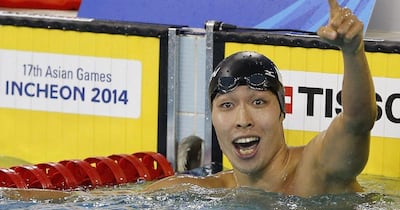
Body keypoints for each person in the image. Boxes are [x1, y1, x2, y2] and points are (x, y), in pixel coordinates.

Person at [146, 0, 377, 197]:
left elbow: (357, 122)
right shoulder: (209, 193)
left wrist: (352, 50)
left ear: (281, 110)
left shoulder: (318, 170)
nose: (243, 119)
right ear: (213, 118)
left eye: (258, 102)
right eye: (227, 105)